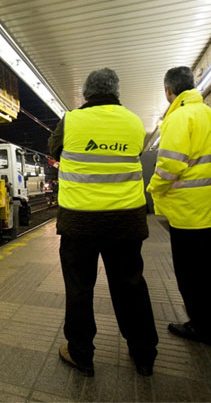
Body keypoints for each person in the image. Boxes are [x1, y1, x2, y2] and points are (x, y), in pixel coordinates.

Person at [49, 68, 158, 377]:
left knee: (80, 288)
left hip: (79, 221)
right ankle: (144, 354)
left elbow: (54, 149)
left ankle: (81, 354)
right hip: (124, 220)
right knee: (130, 285)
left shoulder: (71, 121)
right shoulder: (134, 122)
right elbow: (134, 152)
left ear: (86, 93)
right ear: (117, 91)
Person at [147, 66, 211, 347]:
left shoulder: (179, 118)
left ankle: (200, 327)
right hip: (210, 206)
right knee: (209, 269)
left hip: (188, 211)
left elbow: (170, 165)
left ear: (169, 90)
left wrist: (153, 189)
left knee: (190, 272)